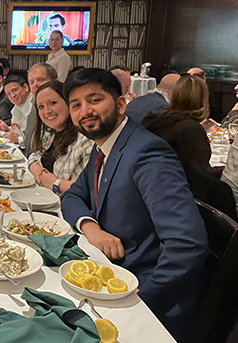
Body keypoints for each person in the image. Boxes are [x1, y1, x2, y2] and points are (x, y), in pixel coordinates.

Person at [61, 68, 208, 340]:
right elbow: (72, 196)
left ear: (120, 104)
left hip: (145, 299)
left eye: (94, 100)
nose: (85, 111)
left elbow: (188, 244)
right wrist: (91, 227)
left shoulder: (146, 152)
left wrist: (139, 302)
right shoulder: (103, 145)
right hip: (107, 279)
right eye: (76, 105)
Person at [142, 73, 221, 178]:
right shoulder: (191, 131)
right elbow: (201, 176)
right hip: (174, 187)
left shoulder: (154, 119)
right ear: (203, 100)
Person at [27, 81, 92, 194]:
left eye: (52, 103)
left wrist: (55, 184)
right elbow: (33, 156)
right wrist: (38, 171)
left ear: (68, 102)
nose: (47, 111)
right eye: (41, 107)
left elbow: (91, 188)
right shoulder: (49, 133)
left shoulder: (86, 138)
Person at [0, 76, 33, 150]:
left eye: (15, 90)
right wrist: (7, 129)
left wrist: (19, 140)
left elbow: (39, 141)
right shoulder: (17, 107)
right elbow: (21, 133)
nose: (12, 95)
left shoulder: (35, 106)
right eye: (8, 93)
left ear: (25, 87)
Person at [25, 63, 58, 154]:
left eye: (41, 79)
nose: (35, 85)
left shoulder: (58, 112)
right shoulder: (34, 106)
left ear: (56, 82)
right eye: (32, 82)